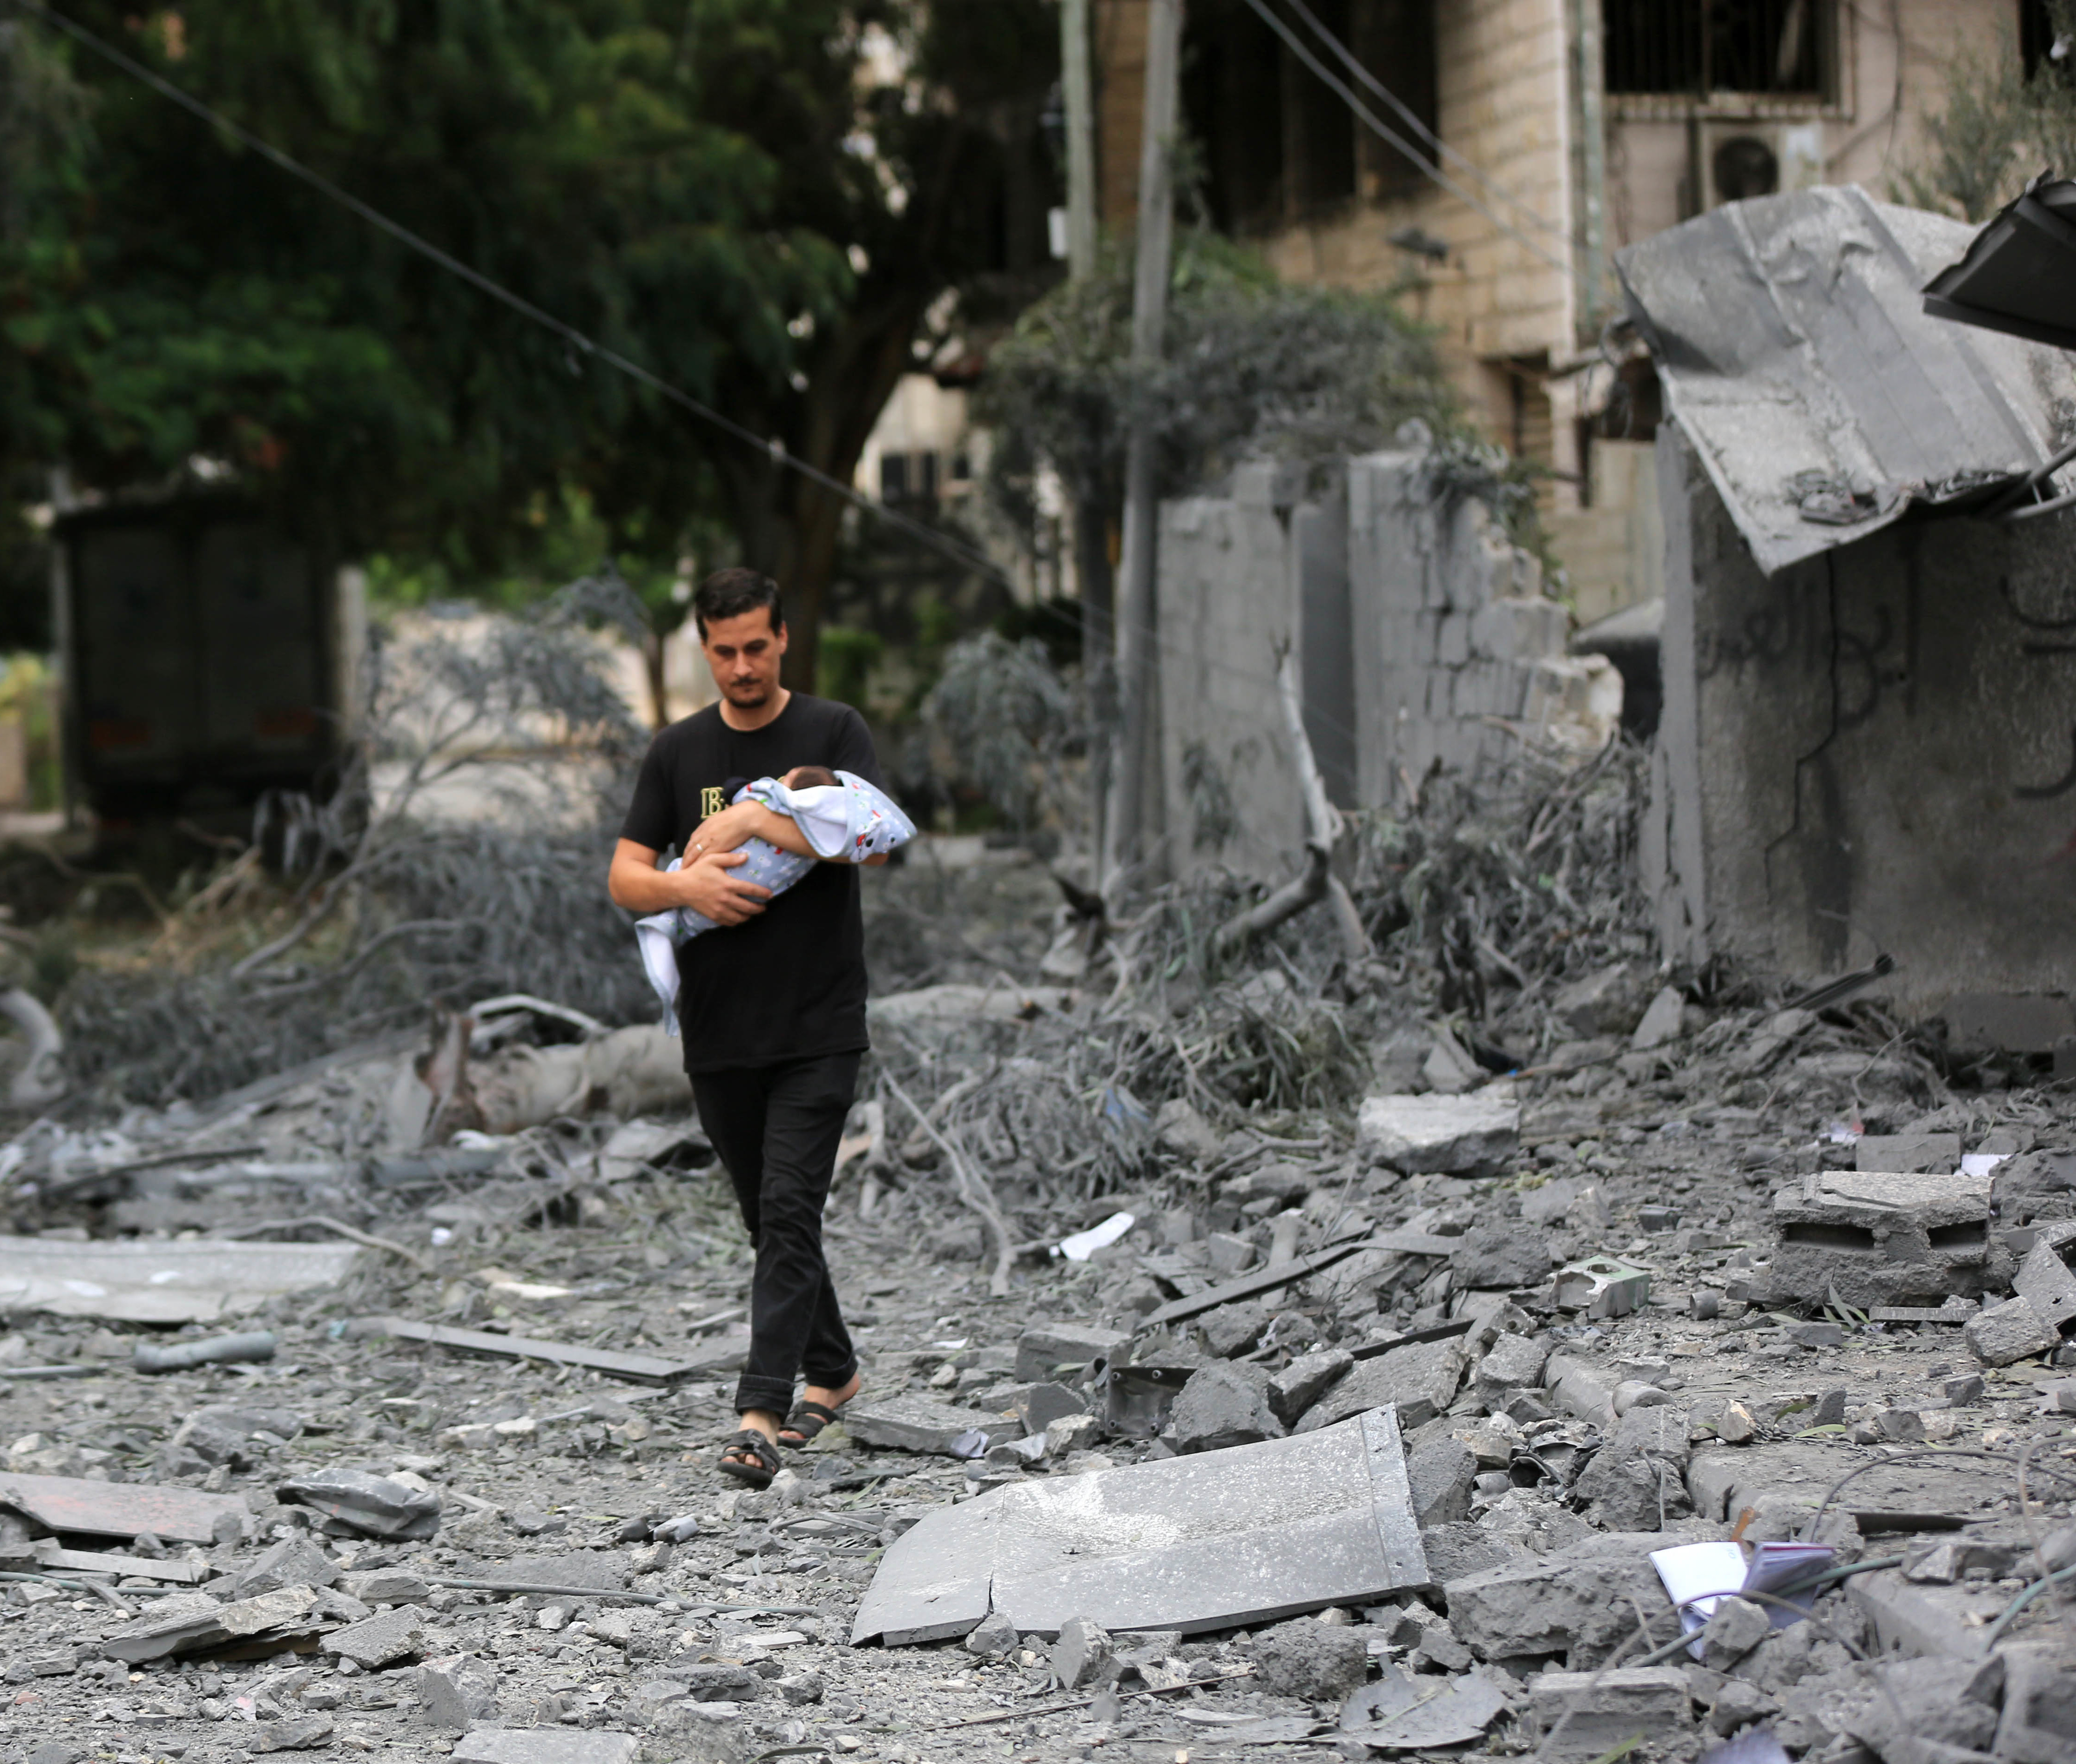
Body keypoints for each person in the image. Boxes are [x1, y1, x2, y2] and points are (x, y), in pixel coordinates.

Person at [607, 568, 890, 1487]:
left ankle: (760, 1413)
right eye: (723, 650)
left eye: (756, 647)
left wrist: (759, 817)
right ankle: (837, 1374)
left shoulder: (833, 732)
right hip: (719, 1028)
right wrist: (683, 884)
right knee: (769, 1221)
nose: (741, 665)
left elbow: (871, 831)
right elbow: (624, 876)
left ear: (782, 639)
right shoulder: (677, 751)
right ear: (705, 647)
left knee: (788, 1205)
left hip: (818, 1023)